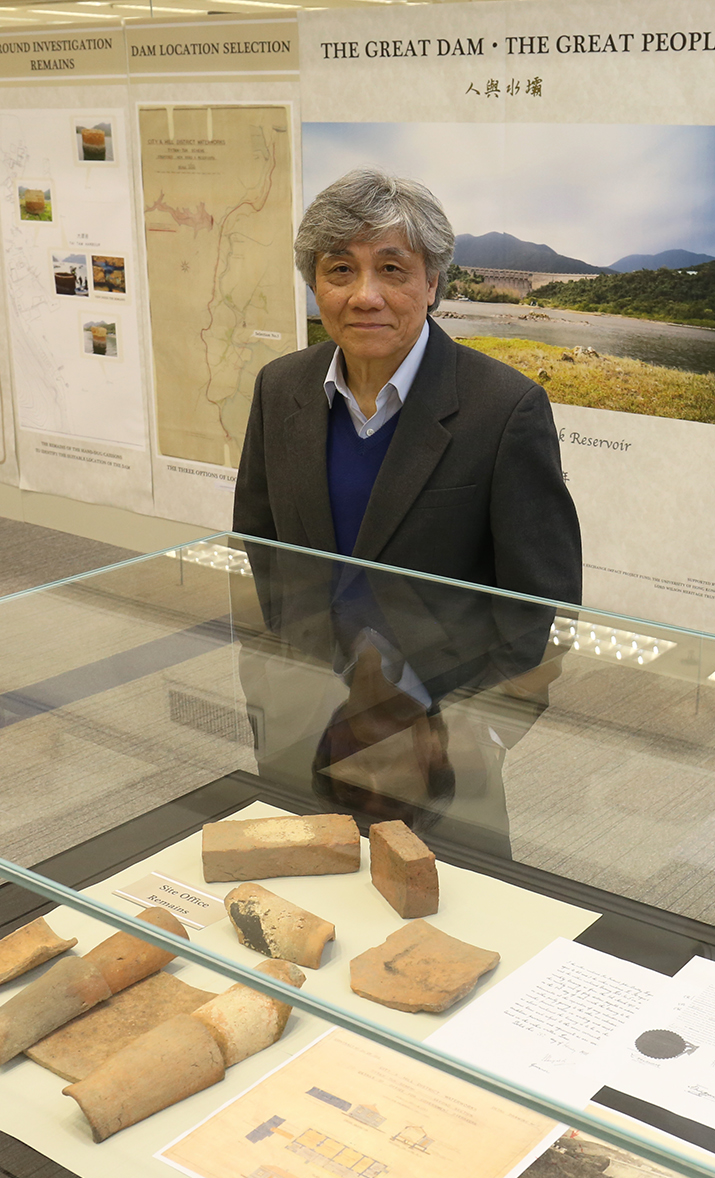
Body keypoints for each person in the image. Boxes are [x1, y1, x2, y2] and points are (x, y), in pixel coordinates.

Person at [230, 169, 581, 855]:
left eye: (392, 269)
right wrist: (273, 686)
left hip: (443, 734)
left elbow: (544, 603)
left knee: (459, 906)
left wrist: (482, 731)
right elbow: (259, 549)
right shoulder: (280, 389)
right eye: (340, 270)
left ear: (433, 283)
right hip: (311, 715)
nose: (365, 295)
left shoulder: (504, 410)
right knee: (306, 893)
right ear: (315, 283)